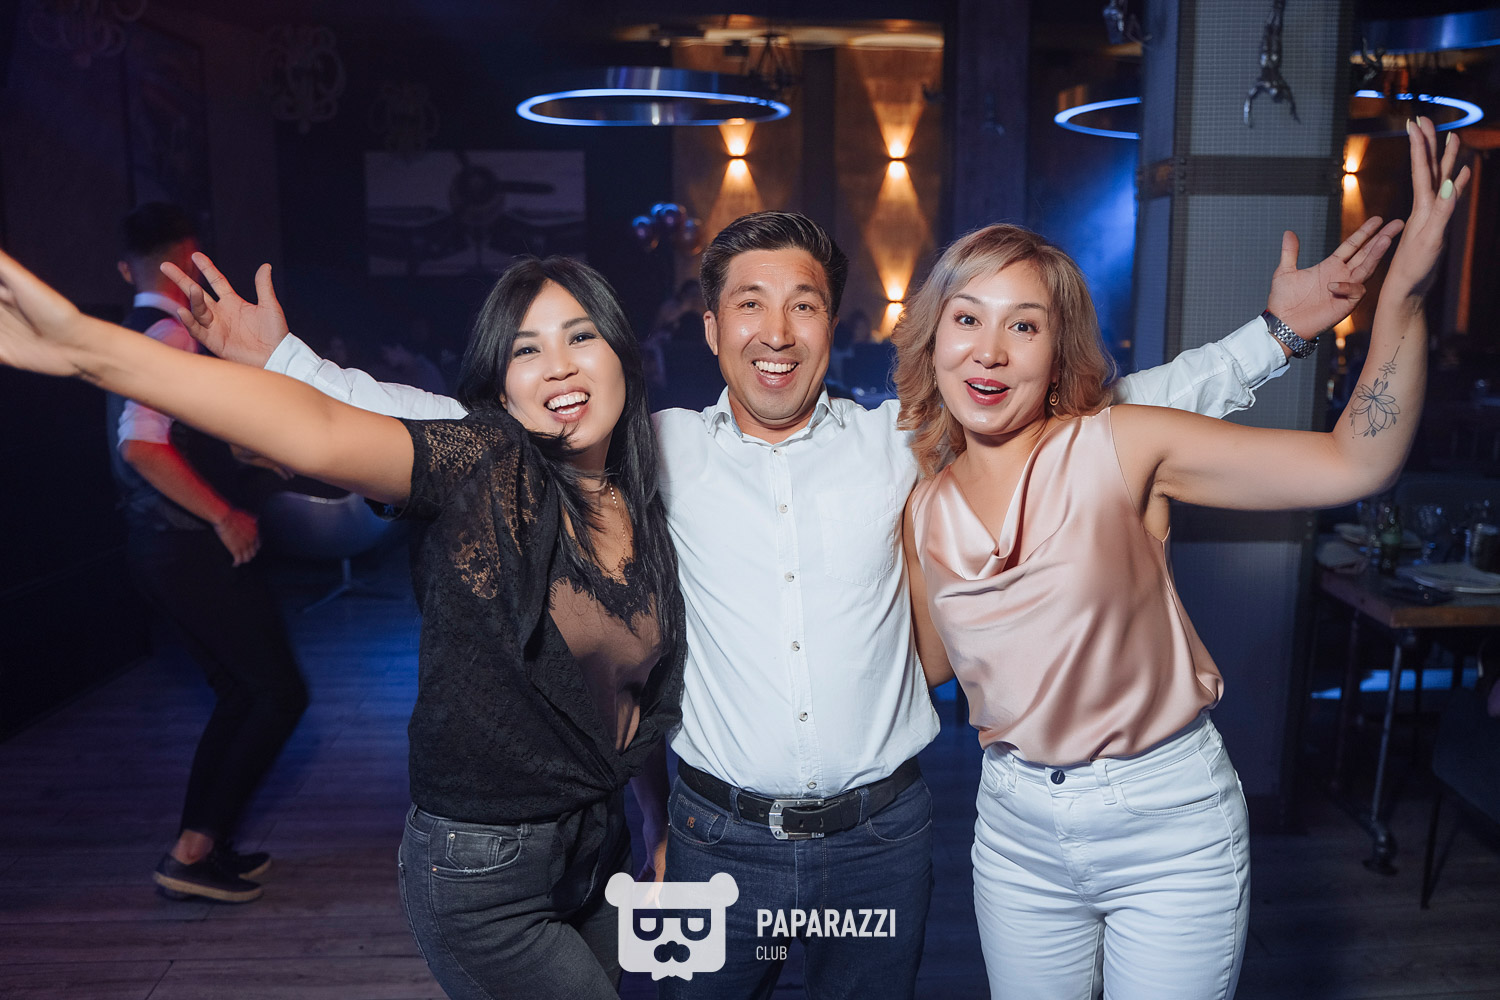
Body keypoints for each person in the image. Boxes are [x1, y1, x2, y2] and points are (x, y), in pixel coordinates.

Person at [154, 205, 1392, 999]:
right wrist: (289, 366)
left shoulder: (900, 442)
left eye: (803, 301)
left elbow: (1104, 424)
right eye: (749, 302)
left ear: (830, 321)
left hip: (883, 840)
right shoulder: (655, 456)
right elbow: (458, 432)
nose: (778, 329)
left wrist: (1273, 341)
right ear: (710, 328)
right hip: (717, 841)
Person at [0, 252, 686, 999]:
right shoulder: (485, 465)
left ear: (624, 354)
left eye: (580, 337)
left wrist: (655, 822)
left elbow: (625, 695)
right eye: (526, 350)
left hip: (600, 849)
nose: (557, 366)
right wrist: (87, 347)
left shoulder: (649, 500)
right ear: (500, 390)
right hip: (486, 871)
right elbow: (322, 429)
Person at [894, 119, 1466, 1000]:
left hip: (1165, 823)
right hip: (1014, 832)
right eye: (966, 319)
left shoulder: (1120, 443)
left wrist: (1406, 297)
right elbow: (927, 669)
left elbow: (1357, 462)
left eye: (1024, 326)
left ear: (1057, 354)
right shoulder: (923, 510)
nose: (990, 351)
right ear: (933, 339)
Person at [107, 202, 306, 904]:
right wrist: (224, 514)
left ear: (125, 269)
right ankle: (191, 852)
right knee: (277, 693)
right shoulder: (167, 332)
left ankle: (201, 846)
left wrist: (246, 457)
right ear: (186, 262)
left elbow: (169, 433)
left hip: (157, 549)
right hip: (186, 549)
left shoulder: (135, 331)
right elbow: (141, 446)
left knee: (242, 692)